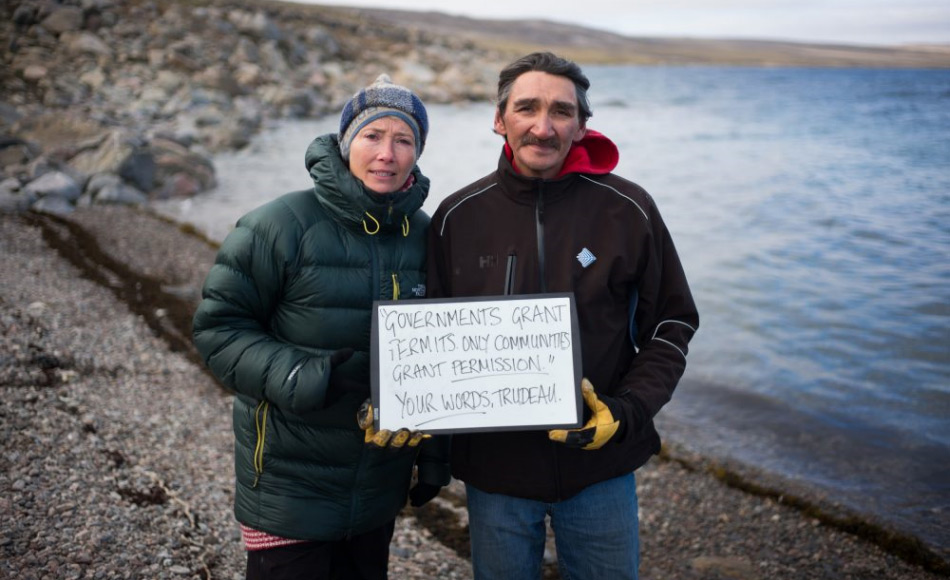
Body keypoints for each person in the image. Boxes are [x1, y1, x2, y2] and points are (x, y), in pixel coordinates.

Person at [427, 52, 699, 579]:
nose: (543, 126)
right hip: (495, 473)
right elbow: (431, 344)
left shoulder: (629, 209)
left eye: (561, 112)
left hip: (601, 467)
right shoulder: (457, 217)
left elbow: (672, 324)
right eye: (526, 108)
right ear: (499, 118)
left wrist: (626, 411)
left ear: (581, 126)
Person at [192, 74, 450, 580]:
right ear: (345, 141)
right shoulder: (277, 225)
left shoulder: (427, 236)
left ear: (417, 152)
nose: (387, 154)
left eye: (404, 140)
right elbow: (218, 330)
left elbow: (440, 358)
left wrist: (435, 456)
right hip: (289, 483)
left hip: (378, 485)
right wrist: (306, 374)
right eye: (373, 136)